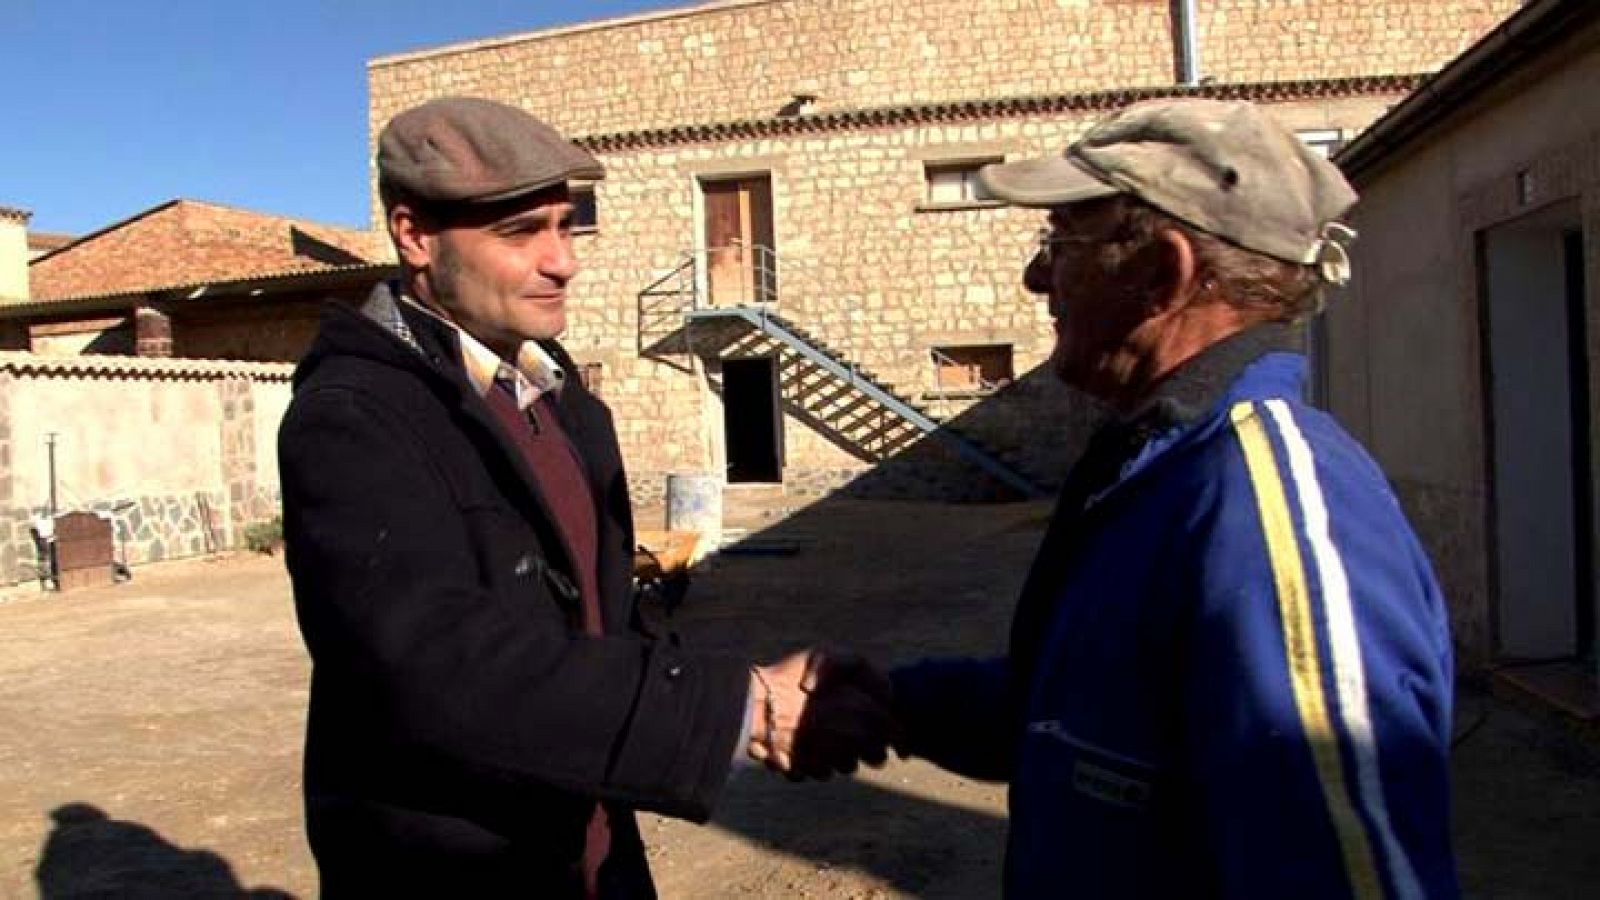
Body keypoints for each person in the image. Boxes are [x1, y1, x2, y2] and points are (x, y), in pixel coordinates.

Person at [279, 96, 889, 899]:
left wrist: (741, 685)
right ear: (415, 236)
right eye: (520, 232)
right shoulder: (355, 421)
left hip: (592, 853)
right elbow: (437, 670)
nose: (562, 260)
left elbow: (604, 621)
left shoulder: (566, 406)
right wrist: (738, 712)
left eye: (566, 226)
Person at [887, 99, 1459, 897]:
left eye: (1062, 240)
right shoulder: (1157, 468)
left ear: (1162, 274)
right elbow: (1089, 715)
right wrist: (890, 705)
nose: (1036, 276)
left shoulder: (1269, 514)